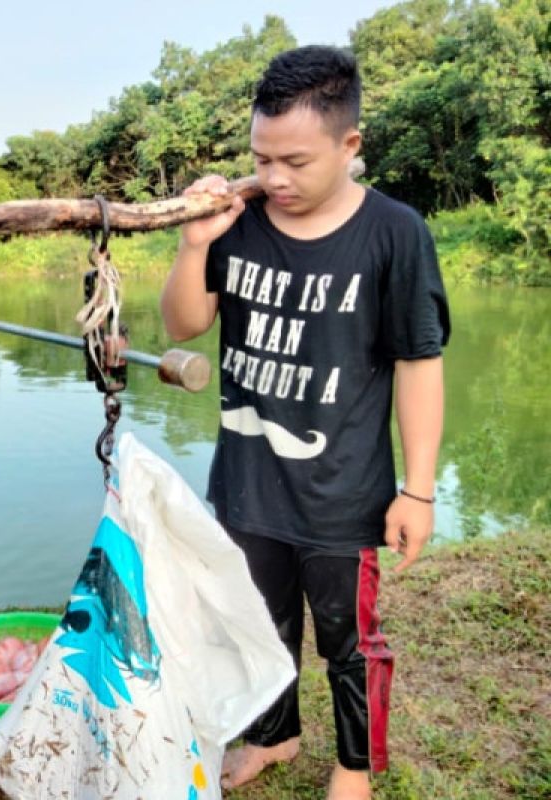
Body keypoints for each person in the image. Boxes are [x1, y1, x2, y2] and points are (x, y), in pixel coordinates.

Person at [159, 45, 449, 800]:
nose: (275, 178)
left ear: (350, 147)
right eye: (261, 157)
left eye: (295, 160)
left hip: (343, 494)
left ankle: (354, 766)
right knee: (257, 623)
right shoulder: (241, 223)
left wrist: (417, 491)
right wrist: (196, 245)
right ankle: (274, 735)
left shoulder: (394, 234)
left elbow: (419, 362)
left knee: (349, 642)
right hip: (249, 481)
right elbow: (186, 325)